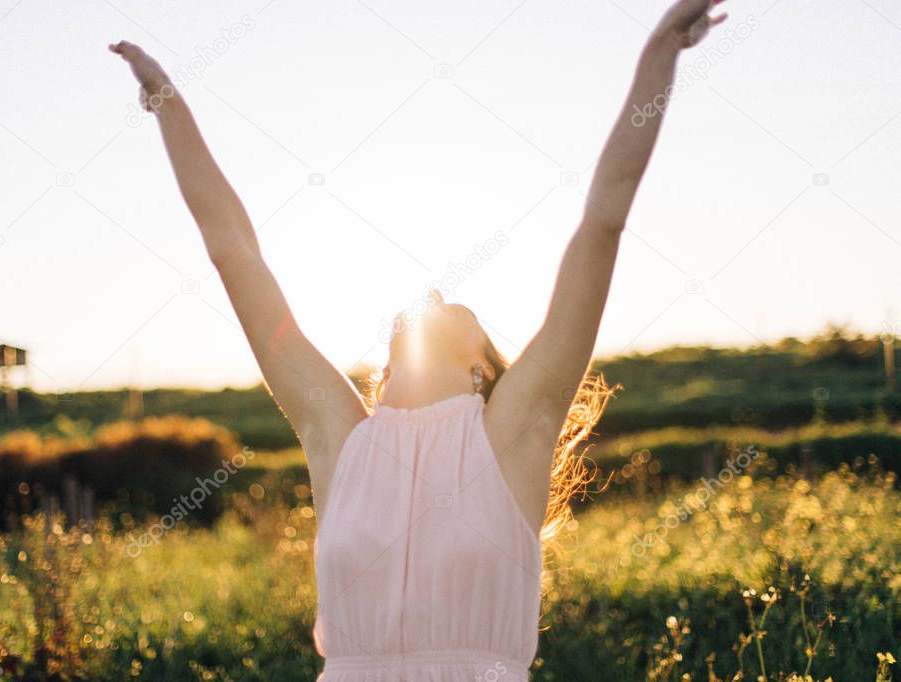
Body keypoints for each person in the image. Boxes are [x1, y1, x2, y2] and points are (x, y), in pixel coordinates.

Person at [110, 0, 728, 677]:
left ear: (482, 371)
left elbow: (600, 224)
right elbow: (235, 254)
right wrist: (168, 104)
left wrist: (659, 53)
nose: (431, 295)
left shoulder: (510, 432)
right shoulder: (341, 435)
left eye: (455, 304)